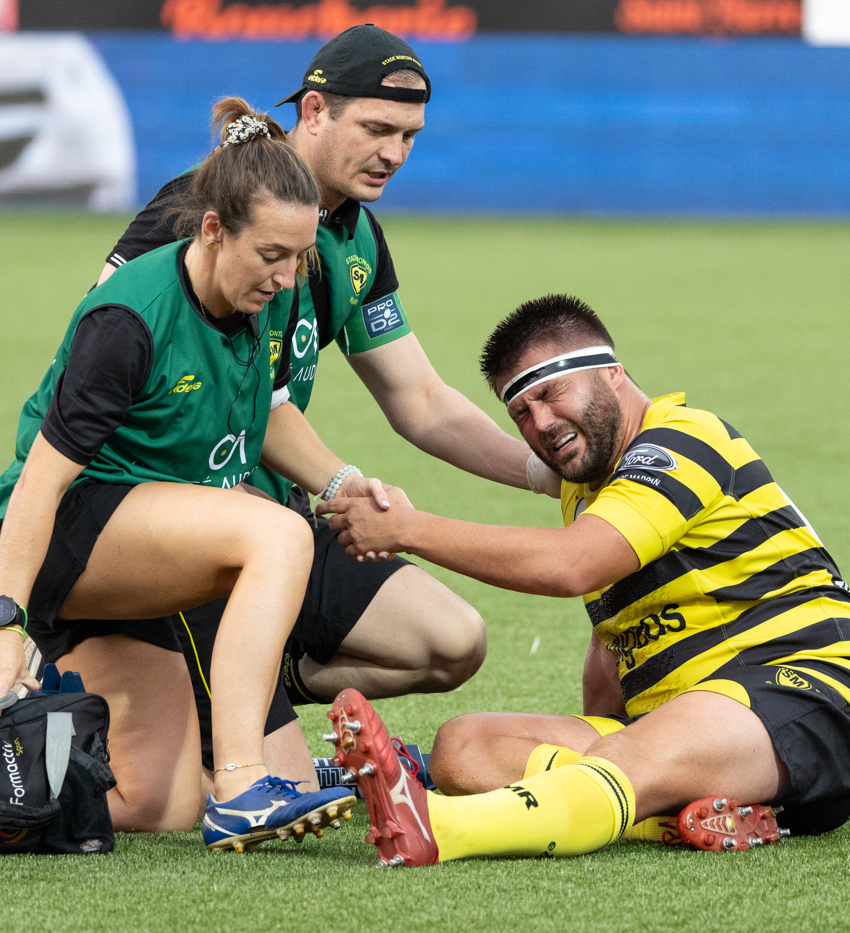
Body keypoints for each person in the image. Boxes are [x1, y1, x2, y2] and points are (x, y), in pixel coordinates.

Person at [79, 25, 553, 786]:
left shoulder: (357, 236)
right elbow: (119, 359)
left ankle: (256, 674)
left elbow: (421, 398)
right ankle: (206, 700)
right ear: (314, 110)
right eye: (377, 129)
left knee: (452, 640)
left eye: (409, 136)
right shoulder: (210, 206)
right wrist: (340, 482)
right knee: (285, 793)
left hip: (281, 520)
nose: (394, 154)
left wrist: (547, 472)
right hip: (184, 524)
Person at [0, 100, 388, 850]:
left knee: (159, 800)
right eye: (271, 254)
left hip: (148, 547)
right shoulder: (129, 321)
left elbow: (261, 422)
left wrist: (345, 482)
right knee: (278, 534)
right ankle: (244, 781)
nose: (285, 279)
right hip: (71, 533)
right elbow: (41, 481)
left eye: (299, 258)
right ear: (212, 228)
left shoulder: (259, 303)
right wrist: (2, 620)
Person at [321, 294, 850, 866]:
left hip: (803, 693)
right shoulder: (585, 491)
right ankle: (676, 818)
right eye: (520, 412)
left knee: (626, 755)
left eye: (549, 392)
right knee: (463, 748)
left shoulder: (682, 440)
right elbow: (614, 640)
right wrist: (598, 725)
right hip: (678, 719)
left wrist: (407, 530)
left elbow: (573, 565)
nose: (539, 423)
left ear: (612, 371)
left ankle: (441, 826)